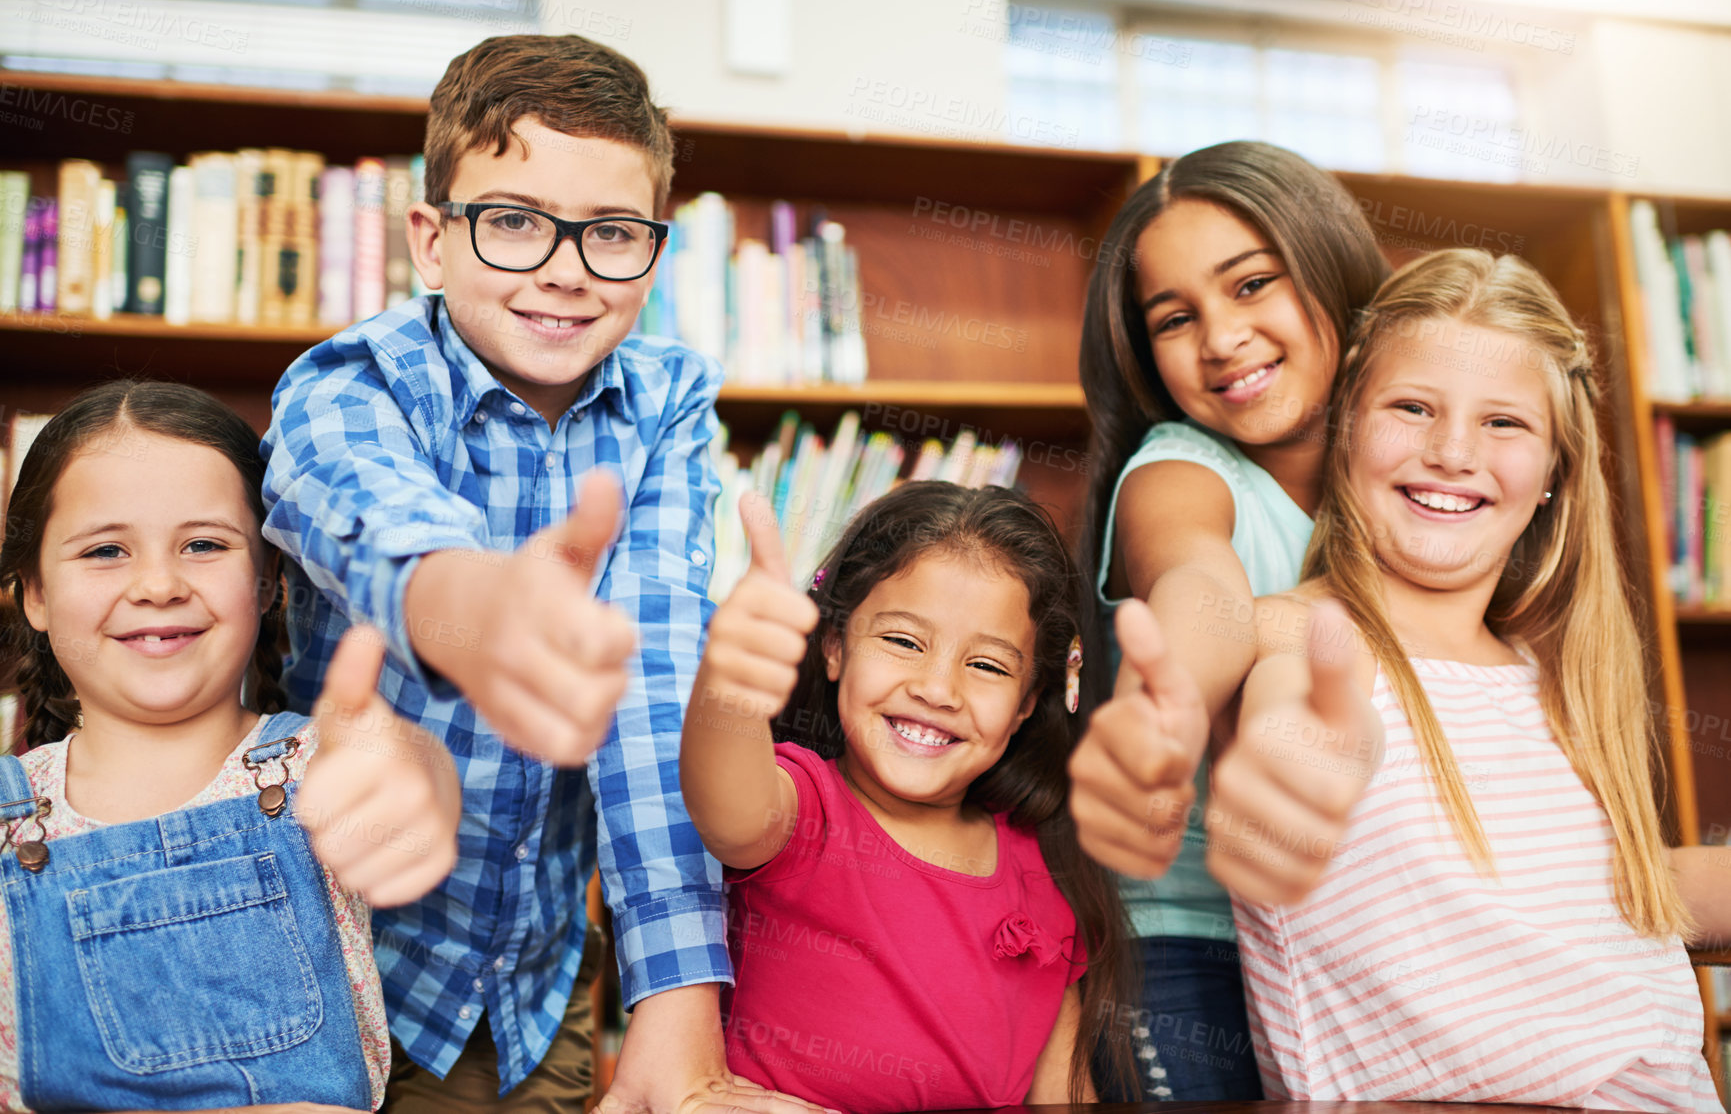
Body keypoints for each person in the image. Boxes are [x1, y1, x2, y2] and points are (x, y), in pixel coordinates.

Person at [261, 34, 818, 1112]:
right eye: (513, 222)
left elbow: (654, 691)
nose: (565, 268)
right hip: (337, 964)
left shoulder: (664, 401)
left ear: (654, 253)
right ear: (432, 239)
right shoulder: (350, 379)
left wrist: (678, 1000)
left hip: (539, 984)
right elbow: (367, 514)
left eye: (610, 232)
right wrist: (474, 608)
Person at [1192, 248, 1723, 1109]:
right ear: (1348, 429)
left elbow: (1615, 892)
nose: (1450, 451)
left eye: (1502, 423)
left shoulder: (1550, 679)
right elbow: (1290, 732)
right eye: (1410, 407)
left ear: (1554, 469)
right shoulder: (1305, 633)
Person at [0, 379, 460, 1112]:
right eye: (107, 549)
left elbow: (409, 788)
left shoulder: (325, 769)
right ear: (34, 592)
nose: (157, 583)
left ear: (269, 578)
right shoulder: (6, 820)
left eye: (204, 544)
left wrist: (414, 776)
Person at [1066, 140, 1387, 1098]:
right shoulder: (1173, 471)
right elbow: (1200, 586)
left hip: (1358, 931)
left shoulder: (1411, 476)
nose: (1220, 337)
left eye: (1251, 284)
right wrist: (1173, 702)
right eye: (1176, 317)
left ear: (1331, 264)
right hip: (1188, 946)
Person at [682, 481, 1136, 1111]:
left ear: (1028, 702)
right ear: (835, 646)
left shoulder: (1047, 870)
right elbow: (727, 809)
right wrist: (729, 686)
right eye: (903, 642)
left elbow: (1064, 1094)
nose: (938, 689)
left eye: (988, 666)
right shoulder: (806, 805)